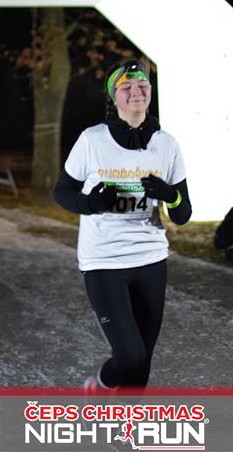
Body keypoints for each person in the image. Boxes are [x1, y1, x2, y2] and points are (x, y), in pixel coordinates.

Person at [53, 60, 192, 393]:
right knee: (130, 356)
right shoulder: (92, 140)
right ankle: (99, 387)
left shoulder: (167, 144)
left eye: (142, 85)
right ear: (113, 96)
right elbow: (62, 192)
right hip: (104, 260)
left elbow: (183, 213)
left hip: (151, 258)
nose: (136, 92)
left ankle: (128, 422)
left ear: (150, 91)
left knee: (143, 360)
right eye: (126, 87)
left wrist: (170, 195)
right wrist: (91, 203)